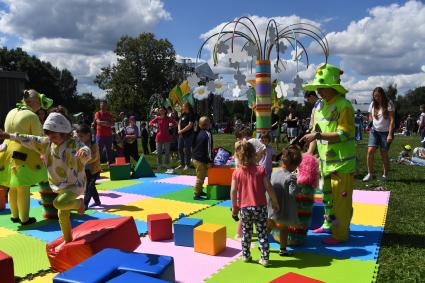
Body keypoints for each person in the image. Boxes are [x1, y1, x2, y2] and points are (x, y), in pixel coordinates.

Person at [0, 110, 90, 246]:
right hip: (60, 185)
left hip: (75, 183)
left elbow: (85, 149)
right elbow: (29, 139)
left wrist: (84, 152)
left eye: (55, 136)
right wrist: (9, 135)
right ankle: (67, 240)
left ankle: (79, 204)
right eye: (49, 136)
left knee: (58, 203)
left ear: (64, 132)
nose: (52, 139)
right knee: (62, 214)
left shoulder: (73, 143)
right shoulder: (47, 143)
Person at [301, 63, 356, 245]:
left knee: (341, 201)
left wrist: (317, 135)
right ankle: (328, 224)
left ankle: (340, 234)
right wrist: (309, 155)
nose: (318, 91)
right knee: (327, 197)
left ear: (333, 87)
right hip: (325, 162)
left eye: (322, 88)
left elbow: (345, 133)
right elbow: (316, 132)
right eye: (317, 88)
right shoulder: (318, 107)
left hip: (342, 164)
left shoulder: (344, 105)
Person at [0, 89, 53, 225]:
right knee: (23, 186)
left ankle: (15, 215)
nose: (39, 108)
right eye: (39, 105)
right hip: (23, 153)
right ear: (34, 102)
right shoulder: (31, 116)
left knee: (12, 186)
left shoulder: (11, 112)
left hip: (6, 152)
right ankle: (25, 219)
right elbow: (38, 138)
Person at [230, 140, 279, 267]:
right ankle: (265, 258)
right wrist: (275, 201)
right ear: (254, 155)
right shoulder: (260, 170)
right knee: (262, 232)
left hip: (245, 208)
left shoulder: (237, 172)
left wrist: (234, 207)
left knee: (246, 233)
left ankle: (246, 255)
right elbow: (268, 187)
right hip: (260, 207)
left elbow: (233, 191)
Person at [267, 145, 302, 256]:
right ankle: (283, 249)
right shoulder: (291, 177)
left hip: (272, 204)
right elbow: (293, 193)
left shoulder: (274, 171)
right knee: (284, 228)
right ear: (294, 165)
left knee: (270, 224)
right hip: (284, 207)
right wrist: (298, 185)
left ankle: (262, 242)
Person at [363, 87, 395, 181]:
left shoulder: (389, 103)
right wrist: (370, 123)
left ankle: (385, 175)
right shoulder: (373, 104)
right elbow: (369, 115)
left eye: (379, 96)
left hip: (385, 132)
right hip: (374, 131)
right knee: (370, 151)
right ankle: (370, 174)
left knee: (383, 153)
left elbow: (392, 120)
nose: (377, 98)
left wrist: (390, 134)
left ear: (382, 95)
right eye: (375, 96)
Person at [77, 124, 101, 210]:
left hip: (94, 169)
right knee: (91, 186)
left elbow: (95, 157)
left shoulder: (94, 145)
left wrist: (84, 160)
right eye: (78, 136)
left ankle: (85, 203)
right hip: (85, 170)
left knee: (89, 187)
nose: (79, 138)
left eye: (81, 136)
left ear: (88, 135)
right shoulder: (80, 145)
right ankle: (97, 201)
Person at [191, 117, 213, 200]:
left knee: (201, 175)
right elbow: (208, 148)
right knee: (200, 177)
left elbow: (193, 145)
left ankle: (199, 190)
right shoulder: (208, 134)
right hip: (201, 159)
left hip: (195, 158)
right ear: (207, 124)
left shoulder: (197, 132)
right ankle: (196, 194)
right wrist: (210, 160)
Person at [176, 103, 195, 170]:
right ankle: (182, 164)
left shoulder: (191, 114)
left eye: (183, 106)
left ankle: (187, 165)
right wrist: (179, 130)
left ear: (187, 107)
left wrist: (181, 131)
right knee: (180, 148)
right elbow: (179, 123)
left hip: (188, 135)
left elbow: (190, 125)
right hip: (181, 135)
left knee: (187, 149)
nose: (182, 107)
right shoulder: (182, 114)